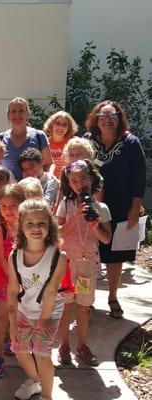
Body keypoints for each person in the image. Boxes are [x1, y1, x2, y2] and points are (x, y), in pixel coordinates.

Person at [85, 100, 146, 318]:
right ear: (96, 118)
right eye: (103, 115)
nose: (107, 119)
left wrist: (135, 206)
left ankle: (112, 296)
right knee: (89, 253)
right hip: (90, 205)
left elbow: (139, 175)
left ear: (119, 118)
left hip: (121, 205)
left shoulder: (130, 142)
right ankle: (87, 299)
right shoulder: (88, 141)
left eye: (112, 115)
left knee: (115, 253)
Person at [7, 199, 66, 400]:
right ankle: (35, 382)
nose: (36, 228)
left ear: (50, 226)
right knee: (19, 349)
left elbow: (50, 291)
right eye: (30, 223)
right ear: (21, 227)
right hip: (24, 309)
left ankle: (47, 396)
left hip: (48, 312)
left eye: (42, 223)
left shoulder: (58, 256)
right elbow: (13, 290)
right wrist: (12, 322)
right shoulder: (15, 255)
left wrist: (43, 320)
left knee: (43, 355)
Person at [56, 159, 112, 366]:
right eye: (74, 181)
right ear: (69, 184)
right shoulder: (65, 204)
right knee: (66, 305)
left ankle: (82, 345)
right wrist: (76, 216)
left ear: (92, 179)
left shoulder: (101, 207)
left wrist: (95, 226)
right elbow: (58, 234)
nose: (79, 184)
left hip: (86, 264)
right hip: (67, 263)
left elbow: (107, 239)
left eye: (83, 179)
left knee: (82, 306)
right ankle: (64, 346)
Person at [0, 183, 26, 379]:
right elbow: (0, 259)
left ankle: (21, 350)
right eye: (4, 206)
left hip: (27, 281)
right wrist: (13, 278)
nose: (9, 210)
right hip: (6, 280)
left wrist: (23, 280)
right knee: (3, 317)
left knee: (21, 319)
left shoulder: (29, 227)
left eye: (13, 205)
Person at [0, 97, 52, 181]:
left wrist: (46, 179)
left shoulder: (39, 136)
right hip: (8, 190)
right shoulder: (1, 138)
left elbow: (48, 164)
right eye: (13, 111)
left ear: (27, 114)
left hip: (33, 189)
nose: (17, 115)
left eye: (21, 111)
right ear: (8, 115)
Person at [43, 111, 78, 179]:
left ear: (69, 128)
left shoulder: (73, 143)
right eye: (58, 123)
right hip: (49, 182)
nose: (60, 127)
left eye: (64, 125)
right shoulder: (44, 142)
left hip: (69, 182)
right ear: (51, 124)